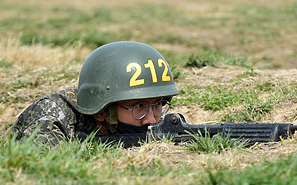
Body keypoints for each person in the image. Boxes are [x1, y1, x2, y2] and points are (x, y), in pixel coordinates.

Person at [13, 41, 178, 145]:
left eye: (158, 105)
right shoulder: (50, 115)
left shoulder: (152, 121)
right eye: (139, 106)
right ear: (101, 112)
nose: (151, 119)